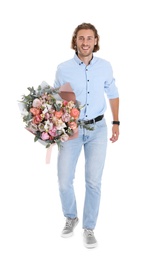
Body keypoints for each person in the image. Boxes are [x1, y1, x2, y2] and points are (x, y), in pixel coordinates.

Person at [53, 22, 120, 248]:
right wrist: (50, 127)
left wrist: (116, 122)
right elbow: (56, 100)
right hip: (71, 130)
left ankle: (89, 227)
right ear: (75, 41)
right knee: (64, 181)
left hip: (97, 129)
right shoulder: (63, 69)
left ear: (95, 41)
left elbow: (113, 93)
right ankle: (71, 217)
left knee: (93, 181)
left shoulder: (105, 66)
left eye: (89, 38)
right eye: (81, 38)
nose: (85, 42)